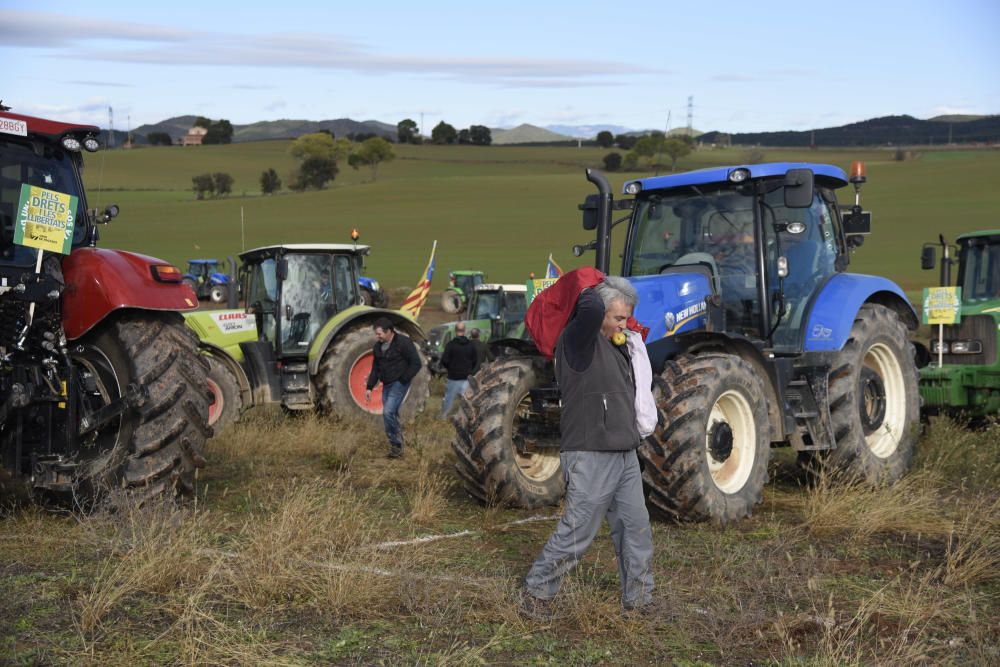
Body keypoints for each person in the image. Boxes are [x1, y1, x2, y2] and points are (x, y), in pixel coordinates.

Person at [521, 275, 656, 619]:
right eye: (618, 318)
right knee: (579, 529)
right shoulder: (578, 341)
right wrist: (593, 283)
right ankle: (537, 593)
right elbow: (592, 304)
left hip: (624, 452)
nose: (623, 326)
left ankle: (638, 602)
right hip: (589, 450)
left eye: (626, 319)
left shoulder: (619, 344)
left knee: (635, 527)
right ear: (599, 315)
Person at [365, 317, 421, 458]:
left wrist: (404, 379)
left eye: (379, 333)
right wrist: (369, 387)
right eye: (376, 334)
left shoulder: (403, 343)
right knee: (393, 414)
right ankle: (400, 444)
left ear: (389, 331)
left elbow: (416, 363)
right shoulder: (378, 346)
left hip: (399, 383)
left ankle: (396, 444)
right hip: (386, 383)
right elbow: (375, 368)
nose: (377, 336)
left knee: (388, 412)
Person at [439, 322, 477, 418]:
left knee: (448, 399)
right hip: (466, 377)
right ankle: (467, 419)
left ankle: (443, 418)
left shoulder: (450, 345)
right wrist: (469, 370)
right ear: (464, 331)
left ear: (455, 331)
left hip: (453, 377)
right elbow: (475, 360)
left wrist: (450, 368)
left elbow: (444, 360)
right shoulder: (471, 345)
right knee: (467, 401)